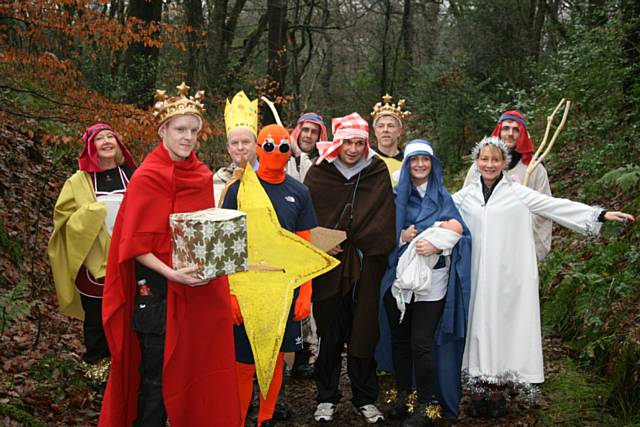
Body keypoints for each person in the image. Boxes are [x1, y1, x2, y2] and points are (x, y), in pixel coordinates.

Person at [453, 136, 635, 418]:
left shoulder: (517, 193)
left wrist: (600, 215)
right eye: (484, 159)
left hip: (507, 277)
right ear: (476, 162)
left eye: (495, 160)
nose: (489, 165)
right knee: (477, 329)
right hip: (475, 276)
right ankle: (479, 391)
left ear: (504, 163)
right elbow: (434, 214)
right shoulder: (464, 198)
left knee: (502, 329)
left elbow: (556, 207)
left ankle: (499, 390)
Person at [98, 83, 241, 427]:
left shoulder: (202, 175)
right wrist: (171, 273)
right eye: (180, 129)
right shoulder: (147, 177)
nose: (188, 137)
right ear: (163, 130)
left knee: (196, 369)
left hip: (199, 290)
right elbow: (133, 245)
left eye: (194, 130)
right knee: (156, 379)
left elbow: (203, 233)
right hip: (158, 292)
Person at [222, 124, 317, 427]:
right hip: (247, 287)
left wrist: (306, 292)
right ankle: (237, 419)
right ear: (258, 149)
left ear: (290, 153)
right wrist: (231, 294)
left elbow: (304, 247)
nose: (276, 152)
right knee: (242, 361)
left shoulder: (299, 191)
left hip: (282, 289)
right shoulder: (238, 189)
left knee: (274, 358)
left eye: (283, 147)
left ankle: (265, 417)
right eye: (269, 146)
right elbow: (227, 245)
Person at [304, 112, 396, 424]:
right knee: (330, 332)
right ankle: (326, 397)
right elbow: (306, 219)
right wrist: (320, 241)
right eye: (347, 142)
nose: (353, 149)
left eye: (359, 143)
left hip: (365, 264)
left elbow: (384, 216)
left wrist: (361, 239)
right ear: (336, 142)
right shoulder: (320, 173)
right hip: (328, 266)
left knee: (363, 331)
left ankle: (365, 398)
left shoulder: (375, 170)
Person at [376, 140, 472, 426]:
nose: (420, 165)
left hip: (432, 282)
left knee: (421, 342)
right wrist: (400, 237)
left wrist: (437, 245)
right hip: (399, 281)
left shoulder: (443, 197)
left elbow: (461, 234)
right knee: (400, 340)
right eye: (414, 160)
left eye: (425, 160)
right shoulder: (394, 197)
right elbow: (378, 234)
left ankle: (427, 405)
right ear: (406, 165)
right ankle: (404, 394)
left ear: (433, 164)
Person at [48, 123, 136, 387]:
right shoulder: (77, 181)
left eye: (111, 136)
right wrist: (95, 213)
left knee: (129, 316)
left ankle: (128, 368)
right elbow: (63, 221)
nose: (108, 141)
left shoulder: (133, 174)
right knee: (96, 322)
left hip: (130, 261)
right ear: (90, 146)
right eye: (100, 139)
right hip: (93, 265)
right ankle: (98, 373)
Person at [463, 110, 552, 260]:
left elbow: (545, 209)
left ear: (522, 133)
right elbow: (466, 203)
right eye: (505, 128)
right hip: (484, 243)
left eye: (515, 129)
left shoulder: (534, 168)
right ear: (499, 131)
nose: (509, 133)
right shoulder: (480, 166)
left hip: (518, 244)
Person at [213, 91, 259, 205]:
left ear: (256, 144)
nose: (240, 147)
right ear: (228, 148)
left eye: (245, 142)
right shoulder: (218, 181)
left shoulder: (269, 177)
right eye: (234, 143)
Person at [370, 94, 411, 186]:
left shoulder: (408, 163)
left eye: (390, 126)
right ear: (375, 131)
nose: (385, 130)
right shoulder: (367, 161)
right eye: (381, 126)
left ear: (400, 131)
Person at [285, 112, 327, 182]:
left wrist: (298, 153)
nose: (308, 135)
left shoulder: (323, 164)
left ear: (319, 137)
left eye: (314, 132)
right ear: (298, 132)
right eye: (305, 130)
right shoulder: (285, 158)